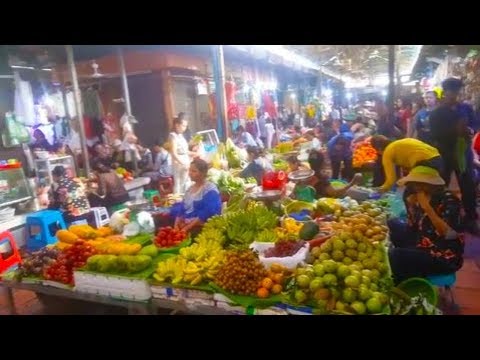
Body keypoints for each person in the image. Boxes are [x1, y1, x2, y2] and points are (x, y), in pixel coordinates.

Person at [388, 166, 464, 284]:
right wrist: (411, 207)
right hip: (424, 242)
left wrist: (427, 209)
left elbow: (450, 235)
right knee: (392, 224)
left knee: (395, 256)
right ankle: (407, 267)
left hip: (444, 255)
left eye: (417, 184)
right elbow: (413, 228)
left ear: (430, 185)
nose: (415, 188)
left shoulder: (450, 201)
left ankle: (407, 283)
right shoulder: (422, 195)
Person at [430, 78, 478, 232]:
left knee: (468, 185)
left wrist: (469, 130)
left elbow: (475, 123)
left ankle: (470, 219)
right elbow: (435, 135)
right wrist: (455, 131)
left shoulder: (465, 108)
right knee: (440, 184)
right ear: (445, 93)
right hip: (445, 153)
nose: (455, 96)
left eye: (457, 92)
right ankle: (437, 215)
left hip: (464, 154)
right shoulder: (437, 113)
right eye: (452, 92)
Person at [370, 135, 442, 193]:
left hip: (424, 164)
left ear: (378, 148)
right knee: (429, 193)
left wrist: (379, 190)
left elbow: (391, 180)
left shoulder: (387, 152)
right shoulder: (400, 143)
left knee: (409, 195)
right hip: (438, 159)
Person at [170, 158, 222, 234]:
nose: (190, 173)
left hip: (201, 225)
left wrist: (186, 228)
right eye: (189, 170)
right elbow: (183, 207)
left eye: (194, 171)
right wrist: (176, 224)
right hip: (188, 223)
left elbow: (206, 213)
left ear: (203, 173)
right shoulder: (189, 189)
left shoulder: (210, 190)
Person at [169, 116, 193, 194]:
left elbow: (185, 151)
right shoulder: (173, 136)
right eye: (183, 126)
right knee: (179, 184)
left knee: (186, 182)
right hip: (178, 163)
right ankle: (178, 201)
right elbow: (174, 153)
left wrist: (194, 154)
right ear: (177, 125)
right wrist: (182, 163)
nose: (185, 128)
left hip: (185, 161)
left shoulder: (181, 136)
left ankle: (186, 199)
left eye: (186, 126)